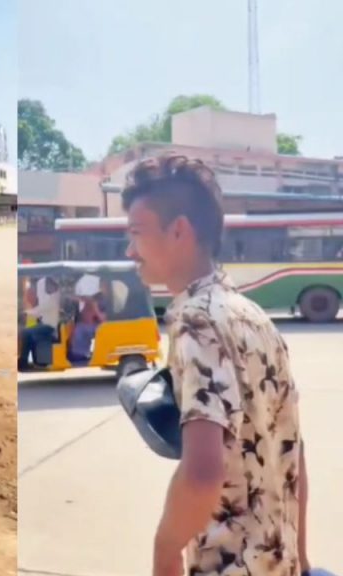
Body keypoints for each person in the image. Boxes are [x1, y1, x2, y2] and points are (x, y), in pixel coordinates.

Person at [121, 155, 308, 576]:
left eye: (136, 233)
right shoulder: (253, 316)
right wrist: (302, 558)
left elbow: (203, 473)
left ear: (179, 230)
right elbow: (294, 453)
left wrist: (165, 551)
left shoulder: (196, 320)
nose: (131, 250)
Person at [18, 276, 60, 370]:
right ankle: (25, 360)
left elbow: (41, 309)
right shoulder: (50, 296)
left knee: (27, 332)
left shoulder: (54, 297)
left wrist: (26, 312)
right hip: (46, 324)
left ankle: (23, 361)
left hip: (50, 327)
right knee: (28, 333)